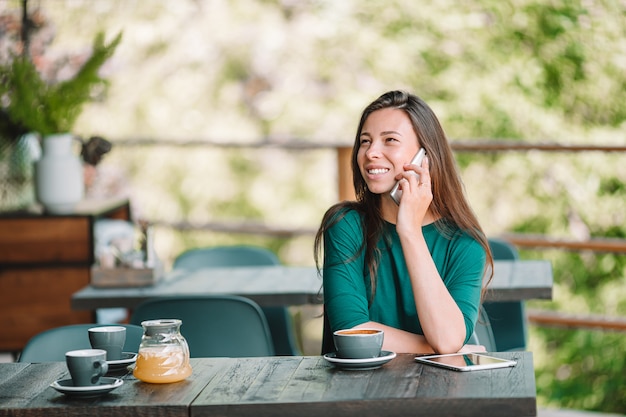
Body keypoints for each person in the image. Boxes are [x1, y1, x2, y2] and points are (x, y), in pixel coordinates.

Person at [314, 90, 493, 355]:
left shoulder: (465, 242)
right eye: (365, 141)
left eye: (390, 140)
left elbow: (447, 339)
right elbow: (351, 332)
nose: (371, 152)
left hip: (440, 392)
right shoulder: (345, 225)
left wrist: (409, 231)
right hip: (355, 391)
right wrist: (438, 349)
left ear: (425, 156)